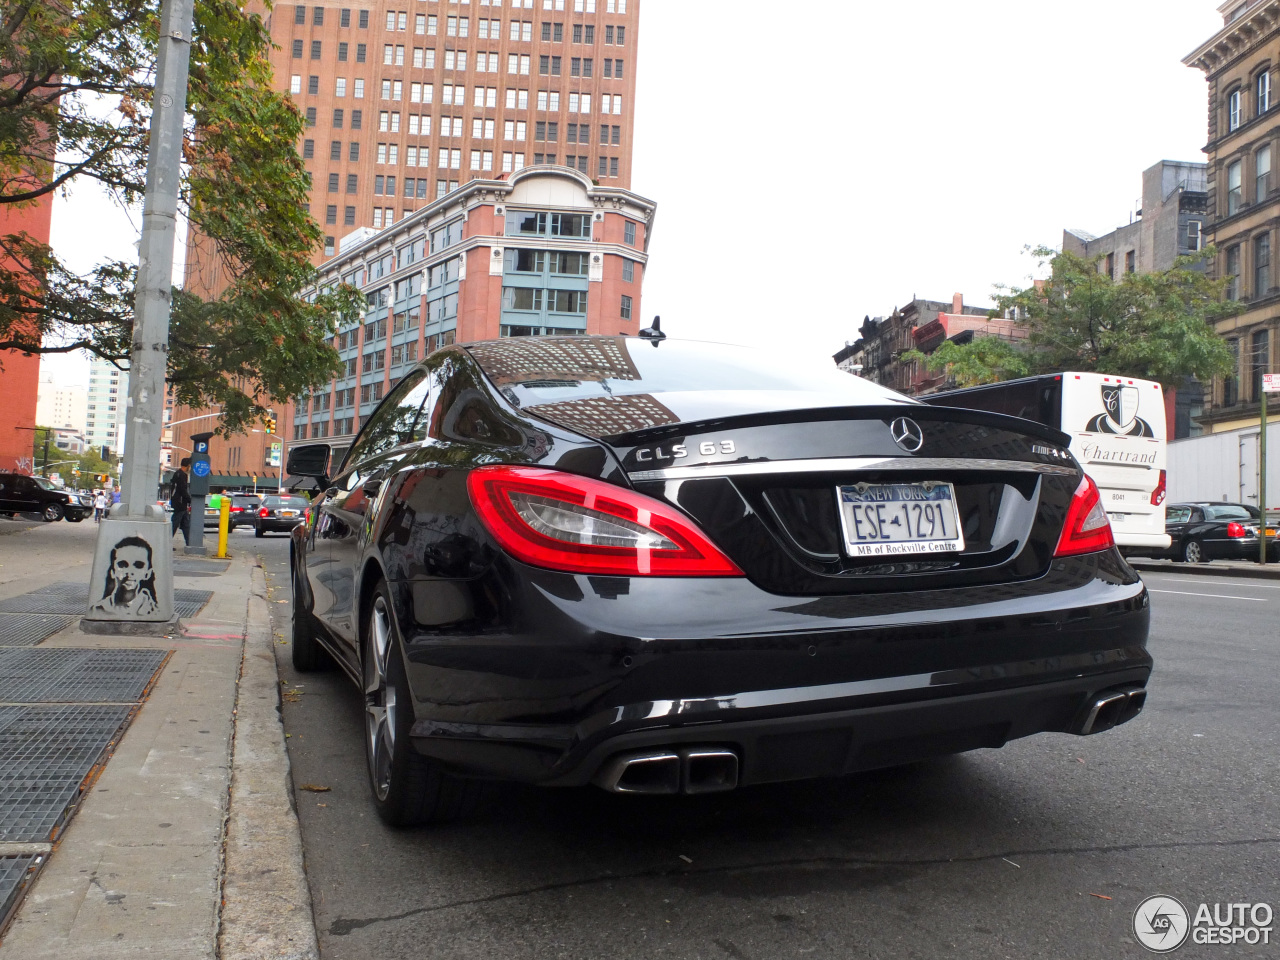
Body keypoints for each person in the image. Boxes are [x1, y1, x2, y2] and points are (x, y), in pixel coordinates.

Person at [170, 458, 191, 545]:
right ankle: (167, 543)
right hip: (180, 504)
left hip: (178, 503)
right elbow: (182, 490)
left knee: (186, 524)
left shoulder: (177, 474)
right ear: (188, 466)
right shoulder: (182, 475)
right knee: (174, 525)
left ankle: (189, 543)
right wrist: (189, 499)